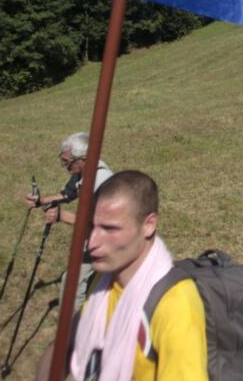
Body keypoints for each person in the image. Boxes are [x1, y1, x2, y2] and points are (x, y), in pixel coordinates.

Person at [36, 171, 208, 381]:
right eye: (92, 227)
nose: (92, 243)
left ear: (149, 225)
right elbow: (69, 344)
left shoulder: (176, 304)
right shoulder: (104, 281)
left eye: (110, 229)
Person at [24, 132, 115, 310]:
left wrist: (62, 216)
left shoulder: (102, 183)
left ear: (84, 159)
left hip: (109, 239)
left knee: (71, 284)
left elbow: (99, 225)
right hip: (97, 236)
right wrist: (42, 201)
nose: (64, 166)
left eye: (67, 162)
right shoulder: (85, 170)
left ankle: (75, 326)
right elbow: (69, 193)